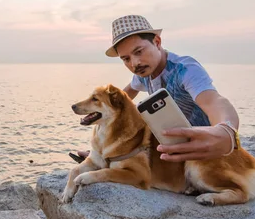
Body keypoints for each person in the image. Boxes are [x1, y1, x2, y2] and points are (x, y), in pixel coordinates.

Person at [71, 14, 240, 163]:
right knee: (122, 116)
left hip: (204, 150)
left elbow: (214, 101)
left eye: (138, 51)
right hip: (170, 146)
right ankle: (104, 156)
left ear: (157, 42)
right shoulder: (143, 73)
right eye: (126, 59)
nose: (134, 63)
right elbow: (123, 99)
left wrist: (226, 130)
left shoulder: (185, 69)